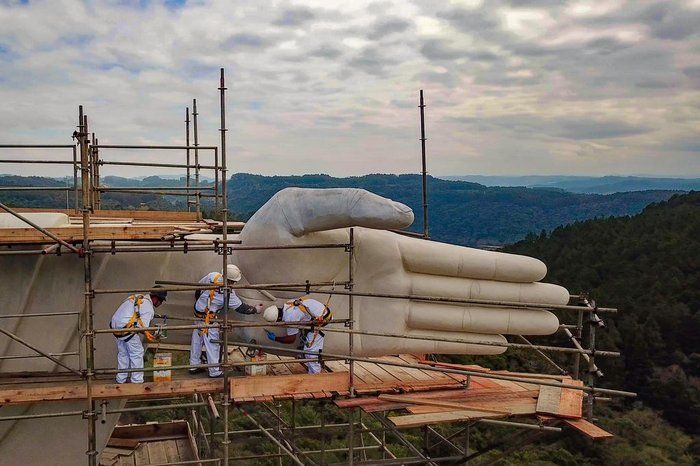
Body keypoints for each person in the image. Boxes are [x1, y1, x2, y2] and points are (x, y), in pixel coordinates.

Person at [190, 264, 261, 377]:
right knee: (213, 343)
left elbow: (198, 287)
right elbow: (241, 308)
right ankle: (214, 371)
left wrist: (200, 301)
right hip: (209, 318)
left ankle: (194, 365)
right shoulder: (228, 293)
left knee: (197, 339)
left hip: (198, 311)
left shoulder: (213, 276)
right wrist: (255, 310)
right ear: (231, 281)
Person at [110, 285, 168, 384]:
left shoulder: (139, 297)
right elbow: (143, 328)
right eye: (161, 301)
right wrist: (154, 334)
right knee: (137, 353)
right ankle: (137, 381)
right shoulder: (148, 308)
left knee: (123, 353)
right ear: (155, 298)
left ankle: (120, 379)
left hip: (115, 327)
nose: (161, 303)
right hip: (126, 329)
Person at [262, 296, 332, 374]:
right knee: (309, 350)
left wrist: (275, 338)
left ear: (278, 319)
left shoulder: (290, 318)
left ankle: (315, 376)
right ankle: (313, 372)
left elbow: (291, 339)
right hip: (320, 312)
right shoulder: (288, 304)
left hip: (322, 320)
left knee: (310, 352)